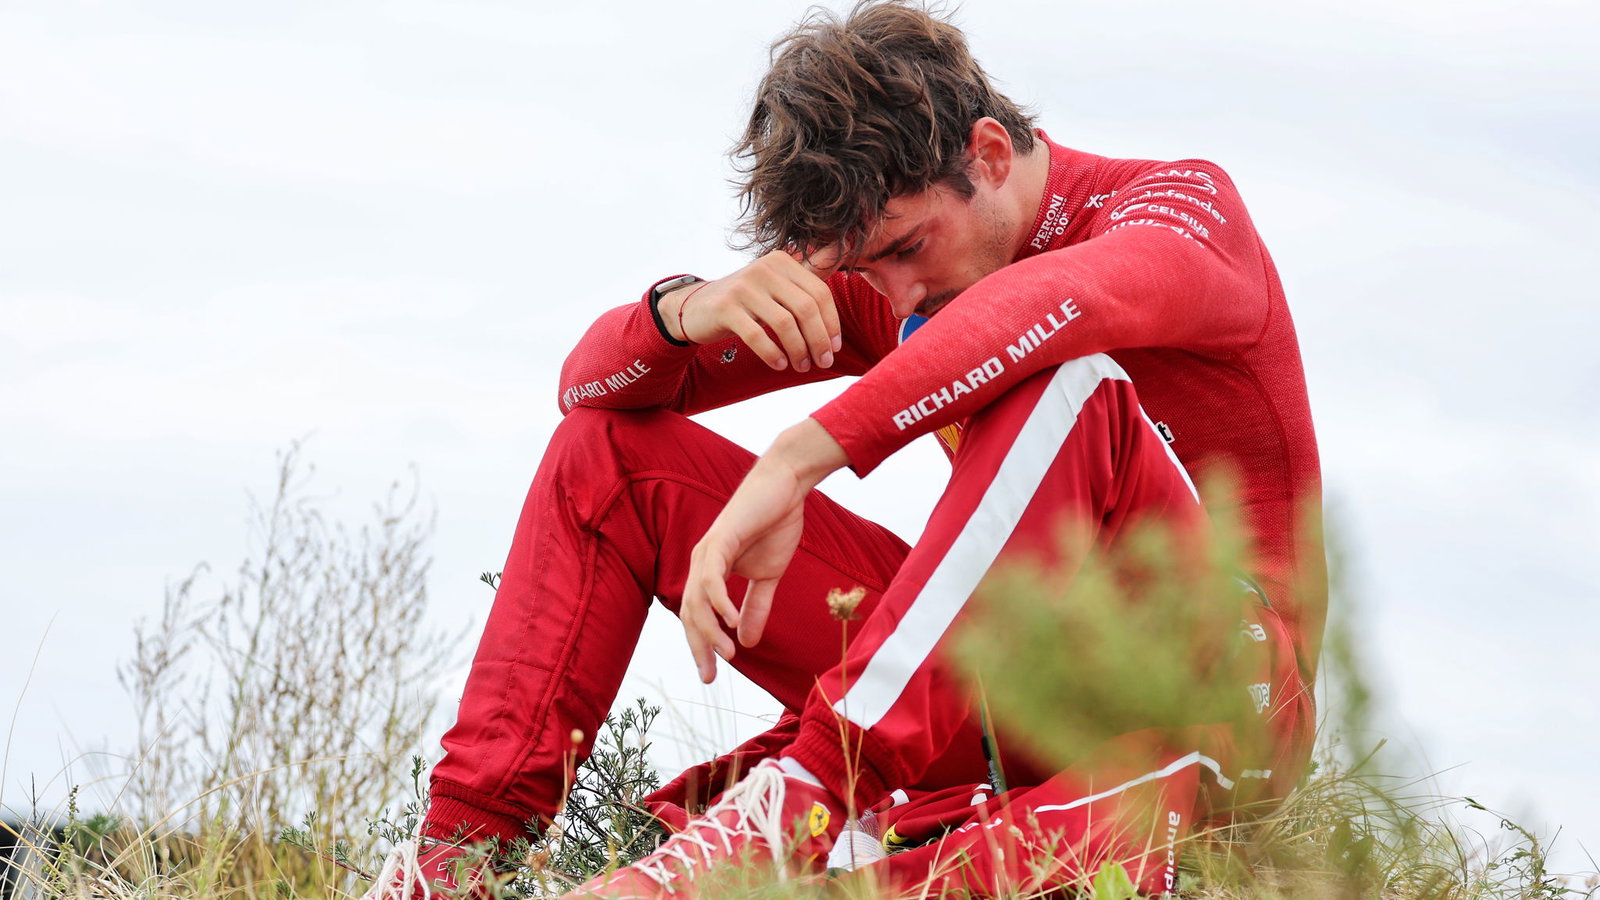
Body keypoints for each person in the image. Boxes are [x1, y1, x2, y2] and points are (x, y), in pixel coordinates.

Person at [364, 2, 1323, 897]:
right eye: (867, 267)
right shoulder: (914, 285)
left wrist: (800, 455)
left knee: (1067, 379)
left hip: (1213, 696)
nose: (894, 297)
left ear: (989, 153)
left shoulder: (1183, 210)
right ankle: (456, 863)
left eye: (903, 247)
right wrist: (687, 312)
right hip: (996, 694)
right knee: (607, 459)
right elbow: (587, 391)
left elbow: (1052, 308)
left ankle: (809, 791)